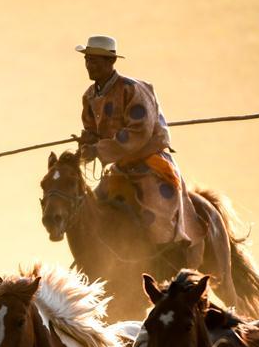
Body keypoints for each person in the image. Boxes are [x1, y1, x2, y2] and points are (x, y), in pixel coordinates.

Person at [75, 35, 204, 263]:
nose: (89, 65)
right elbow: (93, 131)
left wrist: (100, 149)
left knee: (158, 209)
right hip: (120, 166)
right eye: (87, 60)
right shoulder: (89, 96)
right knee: (94, 206)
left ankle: (172, 258)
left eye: (95, 61)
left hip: (149, 160)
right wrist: (88, 143)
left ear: (110, 62)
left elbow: (138, 132)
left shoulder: (133, 90)